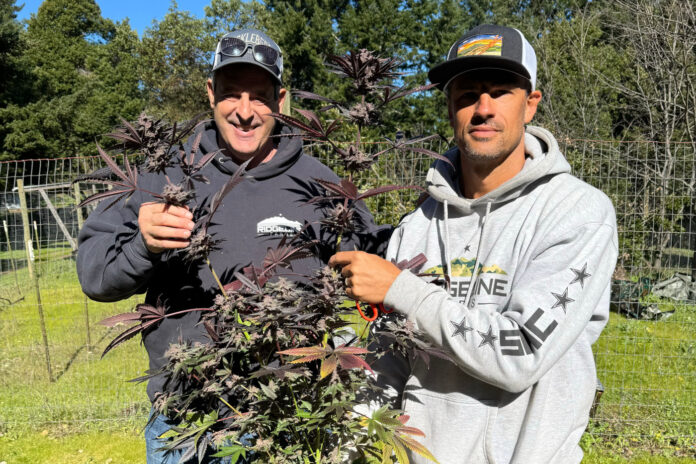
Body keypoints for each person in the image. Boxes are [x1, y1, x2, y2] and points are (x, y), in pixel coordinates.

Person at [76, 28, 386, 463]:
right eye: (230, 94)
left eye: (259, 96)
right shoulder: (164, 174)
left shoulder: (323, 183)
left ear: (281, 100)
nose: (244, 112)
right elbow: (94, 274)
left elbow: (377, 266)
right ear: (210, 93)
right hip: (186, 422)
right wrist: (141, 246)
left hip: (291, 418)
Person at [330, 24, 618, 463]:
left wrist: (403, 290)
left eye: (501, 91)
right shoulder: (418, 225)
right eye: (466, 94)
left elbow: (520, 353)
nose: (483, 109)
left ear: (531, 104)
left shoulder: (578, 213)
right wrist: (351, 449)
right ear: (449, 108)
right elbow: (389, 360)